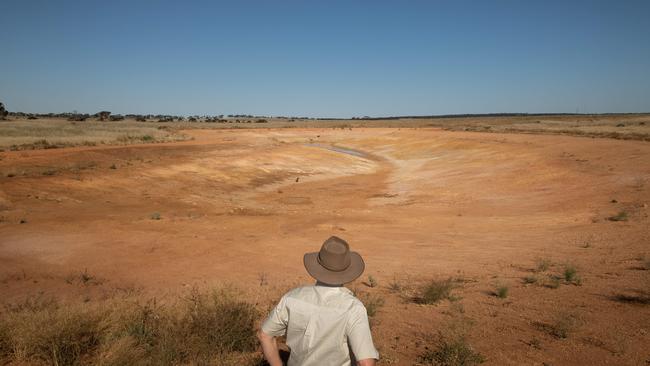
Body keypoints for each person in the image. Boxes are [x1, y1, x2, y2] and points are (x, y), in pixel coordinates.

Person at [258, 236, 379, 366]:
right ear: (347, 269)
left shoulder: (292, 298)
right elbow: (365, 363)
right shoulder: (353, 309)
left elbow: (264, 335)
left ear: (318, 265)